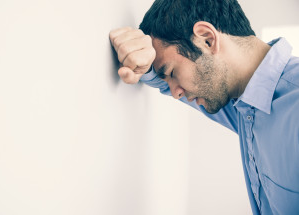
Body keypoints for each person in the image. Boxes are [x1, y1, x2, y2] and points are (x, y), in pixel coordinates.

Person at [109, 0, 299, 214]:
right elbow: (159, 81)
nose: (175, 93)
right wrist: (143, 63)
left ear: (207, 39)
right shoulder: (244, 103)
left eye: (172, 73)